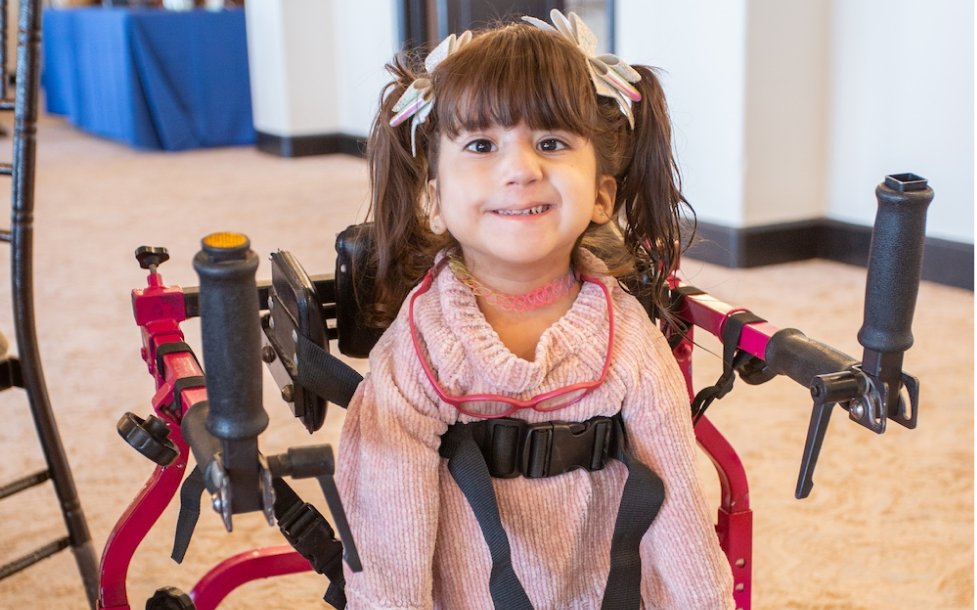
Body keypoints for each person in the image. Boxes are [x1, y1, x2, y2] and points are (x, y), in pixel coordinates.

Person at [336, 10, 734, 610]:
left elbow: (678, 509)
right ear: (434, 200)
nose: (521, 169)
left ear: (601, 195)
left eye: (551, 143)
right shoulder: (421, 350)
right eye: (481, 145)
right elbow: (386, 541)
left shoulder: (628, 339)